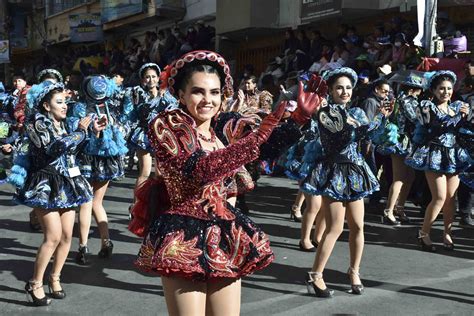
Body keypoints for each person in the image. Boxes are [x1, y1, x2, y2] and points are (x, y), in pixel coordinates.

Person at [130, 50, 323, 315]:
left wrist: (299, 119)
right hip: (182, 236)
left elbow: (262, 150)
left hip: (224, 232)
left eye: (215, 92)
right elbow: (200, 169)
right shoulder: (168, 126)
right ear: (182, 95)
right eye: (198, 91)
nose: (208, 100)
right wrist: (259, 136)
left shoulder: (224, 127)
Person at [303, 67, 392, 297]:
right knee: (334, 228)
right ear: (331, 91)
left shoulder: (358, 113)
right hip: (334, 172)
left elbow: (370, 136)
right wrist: (358, 127)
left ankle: (354, 271)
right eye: (339, 87)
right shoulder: (325, 114)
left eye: (348, 88)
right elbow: (339, 140)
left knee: (359, 226)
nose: (344, 91)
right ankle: (316, 275)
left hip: (355, 172)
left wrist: (381, 118)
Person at [12, 80, 101, 306]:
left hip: (68, 183)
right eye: (59, 102)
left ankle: (55, 278)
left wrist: (91, 133)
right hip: (45, 184)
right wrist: (81, 132)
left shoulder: (63, 123)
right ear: (45, 105)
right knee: (51, 237)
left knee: (66, 237)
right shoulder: (35, 124)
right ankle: (34, 283)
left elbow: (73, 149)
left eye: (65, 102)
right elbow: (53, 148)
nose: (64, 106)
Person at [405, 70, 471, 251]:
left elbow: (462, 130)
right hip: (433, 154)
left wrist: (467, 118)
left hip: (453, 155)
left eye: (449, 88)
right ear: (433, 91)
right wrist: (459, 117)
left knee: (451, 198)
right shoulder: (427, 106)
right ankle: (424, 233)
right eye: (441, 89)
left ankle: (447, 233)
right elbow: (438, 125)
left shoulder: (457, 107)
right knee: (439, 197)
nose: (446, 92)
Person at [73, 75, 128, 264]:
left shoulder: (79, 108)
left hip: (86, 159)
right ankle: (106, 242)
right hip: (107, 159)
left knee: (86, 203)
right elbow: (122, 131)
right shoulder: (111, 109)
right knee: (97, 202)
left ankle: (83, 247)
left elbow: (74, 134)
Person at [378, 73, 424, 225]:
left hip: (408, 142)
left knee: (409, 177)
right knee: (399, 178)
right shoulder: (407, 100)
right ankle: (388, 211)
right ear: (414, 88)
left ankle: (400, 208)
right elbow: (415, 118)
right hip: (401, 141)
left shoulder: (402, 99)